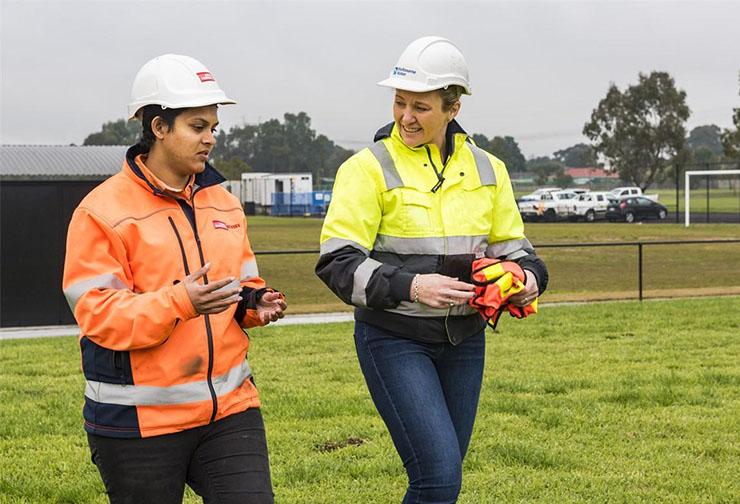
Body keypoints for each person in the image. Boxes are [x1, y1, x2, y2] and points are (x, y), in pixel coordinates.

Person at [316, 36, 548, 503]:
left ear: (453, 108)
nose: (405, 117)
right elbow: (337, 263)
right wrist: (413, 286)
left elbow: (518, 253)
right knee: (438, 477)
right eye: (399, 102)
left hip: (465, 342)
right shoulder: (366, 169)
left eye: (420, 107)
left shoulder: (489, 168)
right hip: (393, 340)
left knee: (443, 479)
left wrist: (526, 281)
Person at [62, 54, 286, 504]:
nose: (210, 139)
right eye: (197, 127)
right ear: (158, 127)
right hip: (138, 422)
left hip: (229, 410)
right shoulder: (100, 212)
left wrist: (254, 301)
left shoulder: (223, 202)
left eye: (213, 128)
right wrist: (180, 302)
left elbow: (239, 282)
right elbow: (99, 315)